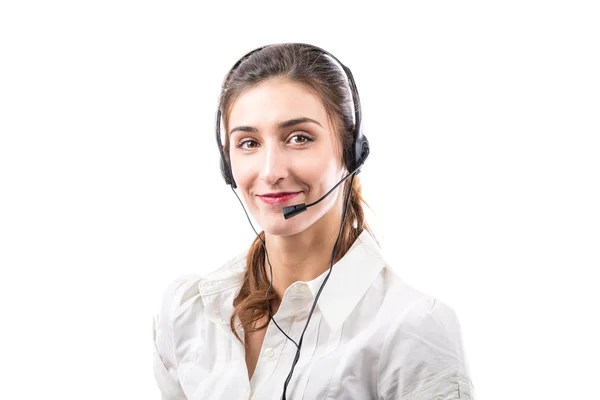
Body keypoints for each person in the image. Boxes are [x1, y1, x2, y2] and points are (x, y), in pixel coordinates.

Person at [152, 43, 475, 399]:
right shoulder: (189, 313)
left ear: (351, 152)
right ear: (227, 164)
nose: (271, 171)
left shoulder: (412, 328)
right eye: (248, 143)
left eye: (299, 138)